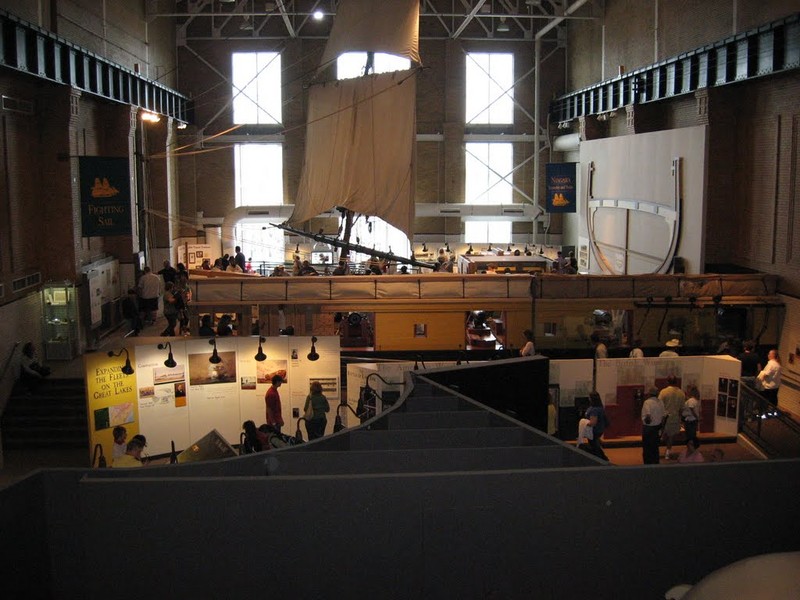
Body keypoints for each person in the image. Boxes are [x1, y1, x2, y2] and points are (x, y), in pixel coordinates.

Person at [659, 375, 686, 460]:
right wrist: (680, 419)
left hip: (665, 418)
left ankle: (663, 451)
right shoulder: (681, 393)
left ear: (668, 382)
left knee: (662, 435)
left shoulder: (663, 392)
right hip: (675, 418)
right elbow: (682, 408)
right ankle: (668, 451)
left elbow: (660, 404)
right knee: (671, 436)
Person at [641, 387, 666, 464]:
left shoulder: (647, 402)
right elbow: (663, 416)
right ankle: (655, 462)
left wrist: (648, 422)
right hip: (657, 428)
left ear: (649, 394)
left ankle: (648, 463)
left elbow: (648, 415)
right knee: (655, 448)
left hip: (649, 428)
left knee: (647, 448)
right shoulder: (660, 402)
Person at [585, 391, 609, 461]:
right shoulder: (599, 407)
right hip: (599, 429)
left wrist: (584, 423)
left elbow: (593, 423)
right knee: (596, 445)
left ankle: (601, 459)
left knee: (594, 446)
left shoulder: (594, 410)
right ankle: (603, 458)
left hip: (594, 431)